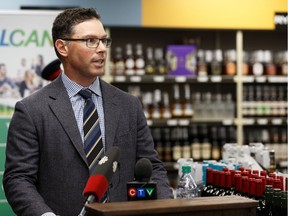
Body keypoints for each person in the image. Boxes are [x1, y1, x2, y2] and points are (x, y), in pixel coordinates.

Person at [3, 8, 173, 216]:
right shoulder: (32, 110)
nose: (101, 49)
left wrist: (166, 208)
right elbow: (18, 179)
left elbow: (153, 167)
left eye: (104, 41)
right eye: (90, 41)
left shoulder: (128, 105)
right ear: (62, 47)